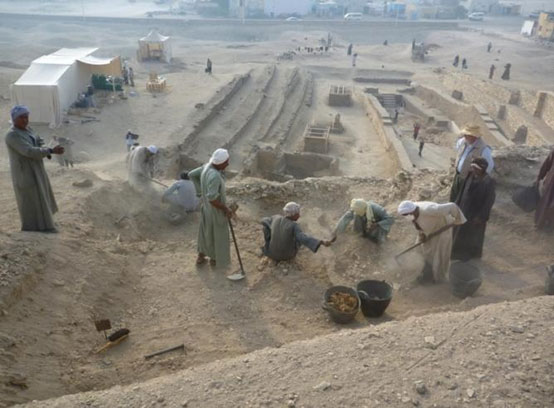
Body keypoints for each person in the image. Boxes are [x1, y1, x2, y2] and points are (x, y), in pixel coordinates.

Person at [5, 105, 65, 232]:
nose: (25, 120)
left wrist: (46, 148)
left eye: (26, 117)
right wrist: (50, 150)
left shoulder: (28, 130)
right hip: (25, 172)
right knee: (31, 200)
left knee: (42, 196)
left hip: (37, 169)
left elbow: (38, 140)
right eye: (21, 117)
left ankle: (47, 224)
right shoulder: (12, 135)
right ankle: (34, 228)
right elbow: (28, 151)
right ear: (14, 119)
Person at [398, 200, 466, 284]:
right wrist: (422, 235)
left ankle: (439, 278)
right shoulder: (413, 213)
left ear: (412, 211)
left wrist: (459, 220)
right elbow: (418, 223)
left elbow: (452, 206)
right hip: (429, 231)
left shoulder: (430, 210)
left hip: (442, 230)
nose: (405, 217)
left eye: (406, 215)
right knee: (420, 249)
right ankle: (425, 269)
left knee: (439, 254)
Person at [189, 148, 233, 268]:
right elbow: (212, 199)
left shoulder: (206, 167)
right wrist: (225, 209)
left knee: (205, 232)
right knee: (217, 234)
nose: (228, 164)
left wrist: (200, 192)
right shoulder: (214, 176)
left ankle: (201, 255)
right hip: (215, 211)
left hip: (206, 209)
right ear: (220, 163)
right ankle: (214, 258)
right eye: (226, 162)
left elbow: (191, 175)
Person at [452, 157, 496, 260]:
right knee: (459, 232)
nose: (473, 170)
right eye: (472, 167)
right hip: (464, 208)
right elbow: (462, 192)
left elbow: (489, 201)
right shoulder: (470, 175)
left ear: (482, 168)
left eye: (476, 168)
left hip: (476, 214)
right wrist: (456, 205)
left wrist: (481, 217)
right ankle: (456, 253)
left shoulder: (488, 182)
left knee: (472, 236)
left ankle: (470, 256)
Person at [261, 202, 331, 262]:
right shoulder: (294, 225)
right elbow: (302, 238)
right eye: (298, 214)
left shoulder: (275, 217)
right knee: (298, 237)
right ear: (293, 214)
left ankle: (272, 246)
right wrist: (321, 242)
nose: (299, 215)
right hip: (287, 256)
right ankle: (286, 251)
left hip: (270, 253)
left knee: (266, 228)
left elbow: (264, 221)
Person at [450, 125, 494, 202]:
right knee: (453, 195)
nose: (465, 136)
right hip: (458, 175)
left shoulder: (484, 149)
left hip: (469, 180)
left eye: (467, 135)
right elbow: (457, 148)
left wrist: (477, 179)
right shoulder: (463, 141)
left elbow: (489, 166)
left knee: (462, 200)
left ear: (474, 136)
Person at [535, 148, 554, 231]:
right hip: (550, 184)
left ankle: (550, 225)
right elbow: (547, 164)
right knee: (545, 204)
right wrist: (539, 178)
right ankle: (540, 224)